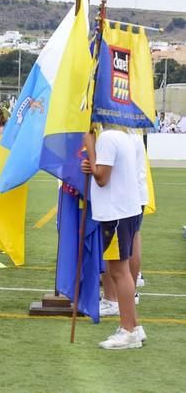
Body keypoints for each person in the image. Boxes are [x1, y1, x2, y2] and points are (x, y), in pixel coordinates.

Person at [81, 127, 145, 349]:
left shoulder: (107, 138)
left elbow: (102, 178)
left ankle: (127, 330)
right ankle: (133, 326)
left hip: (115, 213)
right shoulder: (125, 135)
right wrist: (93, 163)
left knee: (119, 272)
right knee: (121, 270)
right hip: (125, 210)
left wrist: (90, 148)